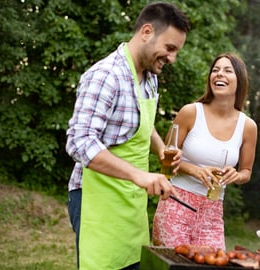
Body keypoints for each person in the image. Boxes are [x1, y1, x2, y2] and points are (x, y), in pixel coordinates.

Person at [65, 2, 190, 269]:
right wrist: (138, 175)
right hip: (96, 199)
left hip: (131, 201)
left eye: (176, 51)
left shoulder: (150, 77)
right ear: (147, 31)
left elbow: (144, 124)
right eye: (169, 48)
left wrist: (161, 149)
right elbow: (80, 142)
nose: (172, 58)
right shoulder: (105, 76)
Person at [152, 52, 258, 250]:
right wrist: (195, 170)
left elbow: (246, 172)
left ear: (239, 80)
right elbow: (165, 159)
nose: (219, 74)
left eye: (227, 70)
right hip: (176, 204)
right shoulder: (190, 113)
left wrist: (236, 175)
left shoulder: (248, 126)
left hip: (212, 211)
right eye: (215, 70)